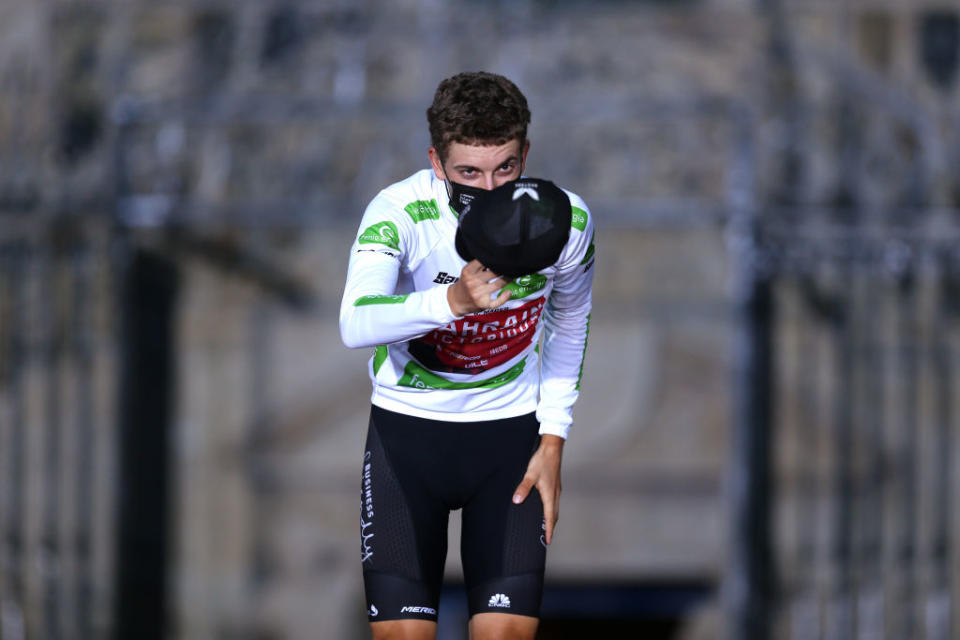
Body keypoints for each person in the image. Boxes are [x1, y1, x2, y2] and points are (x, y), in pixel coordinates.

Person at [339, 71, 595, 640]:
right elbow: (355, 321)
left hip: (509, 441)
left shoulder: (566, 221)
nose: (488, 187)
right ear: (437, 162)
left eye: (506, 168)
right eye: (468, 173)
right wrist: (451, 300)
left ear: (526, 153)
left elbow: (570, 320)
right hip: (409, 439)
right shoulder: (401, 212)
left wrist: (553, 438)